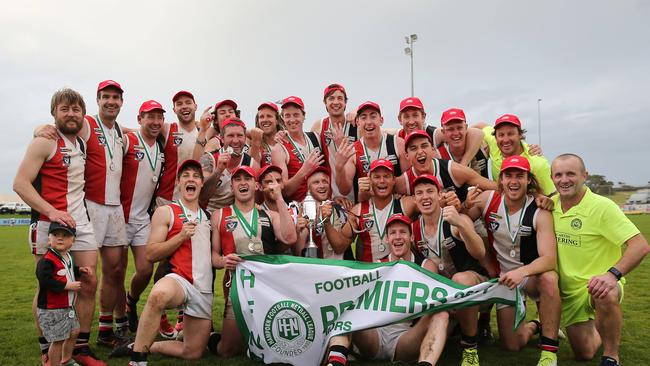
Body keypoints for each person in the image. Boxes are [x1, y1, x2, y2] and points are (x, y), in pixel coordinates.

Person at [14, 88, 104, 366]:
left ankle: (79, 349)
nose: (71, 114)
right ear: (54, 113)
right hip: (47, 224)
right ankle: (47, 348)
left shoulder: (83, 143)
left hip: (81, 223)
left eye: (76, 109)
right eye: (64, 109)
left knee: (88, 282)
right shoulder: (44, 141)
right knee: (49, 286)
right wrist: (53, 211)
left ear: (83, 114)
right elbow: (20, 184)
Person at [551, 154, 650, 366]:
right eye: (558, 175)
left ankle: (611, 356)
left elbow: (640, 245)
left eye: (571, 173)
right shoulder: (549, 206)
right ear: (552, 179)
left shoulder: (602, 206)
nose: (564, 179)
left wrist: (611, 275)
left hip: (599, 283)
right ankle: (604, 324)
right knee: (584, 353)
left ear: (584, 175)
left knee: (607, 293)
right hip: (569, 292)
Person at [464, 155, 561, 366]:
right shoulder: (488, 199)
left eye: (520, 176)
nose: (514, 181)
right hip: (505, 281)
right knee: (512, 345)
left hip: (530, 276)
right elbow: (462, 218)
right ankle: (536, 325)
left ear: (528, 180)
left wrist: (522, 272)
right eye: (509, 175)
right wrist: (463, 205)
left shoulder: (539, 209)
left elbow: (549, 259)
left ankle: (549, 351)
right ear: (501, 180)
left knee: (550, 279)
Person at [119, 159, 215, 365]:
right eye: (186, 176)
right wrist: (180, 237)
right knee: (159, 295)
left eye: (196, 176)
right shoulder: (166, 211)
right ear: (179, 183)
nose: (191, 180)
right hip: (179, 279)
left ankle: (144, 345)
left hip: (203, 289)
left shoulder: (209, 217)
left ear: (201, 184)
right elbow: (151, 253)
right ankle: (137, 360)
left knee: (192, 352)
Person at [324, 214, 440, 366]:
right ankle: (336, 361)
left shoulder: (425, 266)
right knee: (344, 301)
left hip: (404, 338)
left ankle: (426, 363)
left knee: (441, 313)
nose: (398, 237)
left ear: (411, 237)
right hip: (375, 336)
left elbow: (436, 302)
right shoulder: (378, 265)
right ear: (386, 239)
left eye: (403, 232)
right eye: (393, 233)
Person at [208, 165, 297, 357]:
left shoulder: (270, 215)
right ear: (232, 187)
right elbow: (214, 256)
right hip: (238, 289)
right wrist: (224, 261)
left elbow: (290, 238)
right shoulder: (219, 215)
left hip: (269, 288)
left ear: (256, 186)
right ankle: (212, 338)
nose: (242, 183)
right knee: (227, 351)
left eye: (247, 179)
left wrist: (279, 197)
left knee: (279, 345)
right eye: (237, 179)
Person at [410, 174, 488, 365]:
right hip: (444, 294)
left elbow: (479, 252)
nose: (425, 197)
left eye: (430, 191)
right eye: (419, 193)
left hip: (473, 284)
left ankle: (470, 346)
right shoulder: (414, 229)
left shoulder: (454, 218)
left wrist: (461, 223)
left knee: (461, 279)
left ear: (440, 195)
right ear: (414, 199)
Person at [121, 101, 166, 335]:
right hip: (118, 217)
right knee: (115, 272)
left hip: (141, 220)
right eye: (150, 117)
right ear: (140, 119)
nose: (156, 122)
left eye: (160, 117)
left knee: (146, 269)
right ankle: (115, 323)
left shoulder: (162, 146)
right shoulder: (128, 140)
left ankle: (131, 300)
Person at [327, 159, 417, 262]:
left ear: (394, 180)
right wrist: (326, 221)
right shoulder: (358, 211)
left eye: (386, 176)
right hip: (371, 275)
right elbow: (339, 246)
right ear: (369, 180)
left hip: (397, 273)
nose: (382, 181)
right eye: (377, 177)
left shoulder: (406, 205)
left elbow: (430, 202)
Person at [36, 223, 90, 366]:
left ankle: (66, 360)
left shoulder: (67, 257)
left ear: (73, 240)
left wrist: (79, 271)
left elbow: (66, 272)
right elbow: (45, 279)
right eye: (55, 235)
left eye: (65, 235)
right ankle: (54, 363)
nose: (60, 239)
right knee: (58, 339)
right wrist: (67, 286)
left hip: (67, 306)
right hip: (53, 308)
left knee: (74, 332)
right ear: (49, 238)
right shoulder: (47, 260)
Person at [335, 101, 410, 200]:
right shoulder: (353, 150)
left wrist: (391, 188)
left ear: (381, 120)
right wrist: (339, 168)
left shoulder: (398, 143)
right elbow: (344, 190)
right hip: (368, 207)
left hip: (395, 205)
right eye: (364, 117)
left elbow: (408, 180)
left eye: (373, 116)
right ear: (358, 122)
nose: (369, 122)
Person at [396, 130, 497, 202]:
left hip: (459, 217)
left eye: (424, 146)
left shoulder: (452, 170)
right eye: (413, 148)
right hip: (427, 226)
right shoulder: (402, 183)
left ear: (432, 150)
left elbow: (494, 187)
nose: (420, 151)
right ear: (407, 156)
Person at [479, 114, 555, 195]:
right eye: (501, 135)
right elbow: (480, 126)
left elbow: (551, 196)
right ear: (496, 137)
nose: (506, 140)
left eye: (510, 134)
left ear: (520, 135)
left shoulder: (537, 163)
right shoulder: (494, 143)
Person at [271, 96, 325, 202]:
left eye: (296, 115)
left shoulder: (316, 137)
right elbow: (285, 191)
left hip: (323, 204)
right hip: (299, 210)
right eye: (287, 115)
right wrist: (304, 170)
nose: (292, 120)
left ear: (303, 116)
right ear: (282, 118)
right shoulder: (279, 148)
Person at [199, 117, 259, 213]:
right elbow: (201, 197)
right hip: (207, 213)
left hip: (235, 215)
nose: (235, 141)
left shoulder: (251, 164)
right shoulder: (209, 159)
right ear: (222, 139)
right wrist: (218, 170)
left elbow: (256, 199)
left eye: (239, 136)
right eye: (230, 136)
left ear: (245, 138)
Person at [310, 83, 358, 200]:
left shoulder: (355, 124)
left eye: (340, 98)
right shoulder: (319, 125)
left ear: (345, 102)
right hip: (330, 196)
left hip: (356, 194)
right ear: (325, 103)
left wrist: (358, 110)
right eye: (331, 98)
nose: (336, 102)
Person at [295, 166, 354, 259]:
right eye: (316, 182)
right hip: (314, 270)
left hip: (341, 270)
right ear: (308, 187)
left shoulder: (341, 210)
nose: (322, 186)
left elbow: (340, 248)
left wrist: (326, 221)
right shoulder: (298, 211)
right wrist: (299, 232)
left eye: (325, 181)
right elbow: (297, 254)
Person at [154, 90, 199, 207]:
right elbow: (142, 132)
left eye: (188, 102)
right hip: (167, 198)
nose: (184, 106)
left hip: (194, 199)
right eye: (179, 104)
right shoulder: (167, 128)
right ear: (174, 110)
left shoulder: (204, 131)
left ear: (195, 106)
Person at [436, 108, 490, 178]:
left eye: (459, 128)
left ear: (466, 128)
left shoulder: (483, 147)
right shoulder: (438, 157)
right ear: (443, 132)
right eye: (450, 129)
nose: (456, 133)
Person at [253, 102, 284, 167]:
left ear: (277, 120)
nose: (265, 120)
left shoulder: (286, 141)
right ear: (258, 121)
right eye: (261, 117)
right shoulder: (255, 145)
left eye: (269, 116)